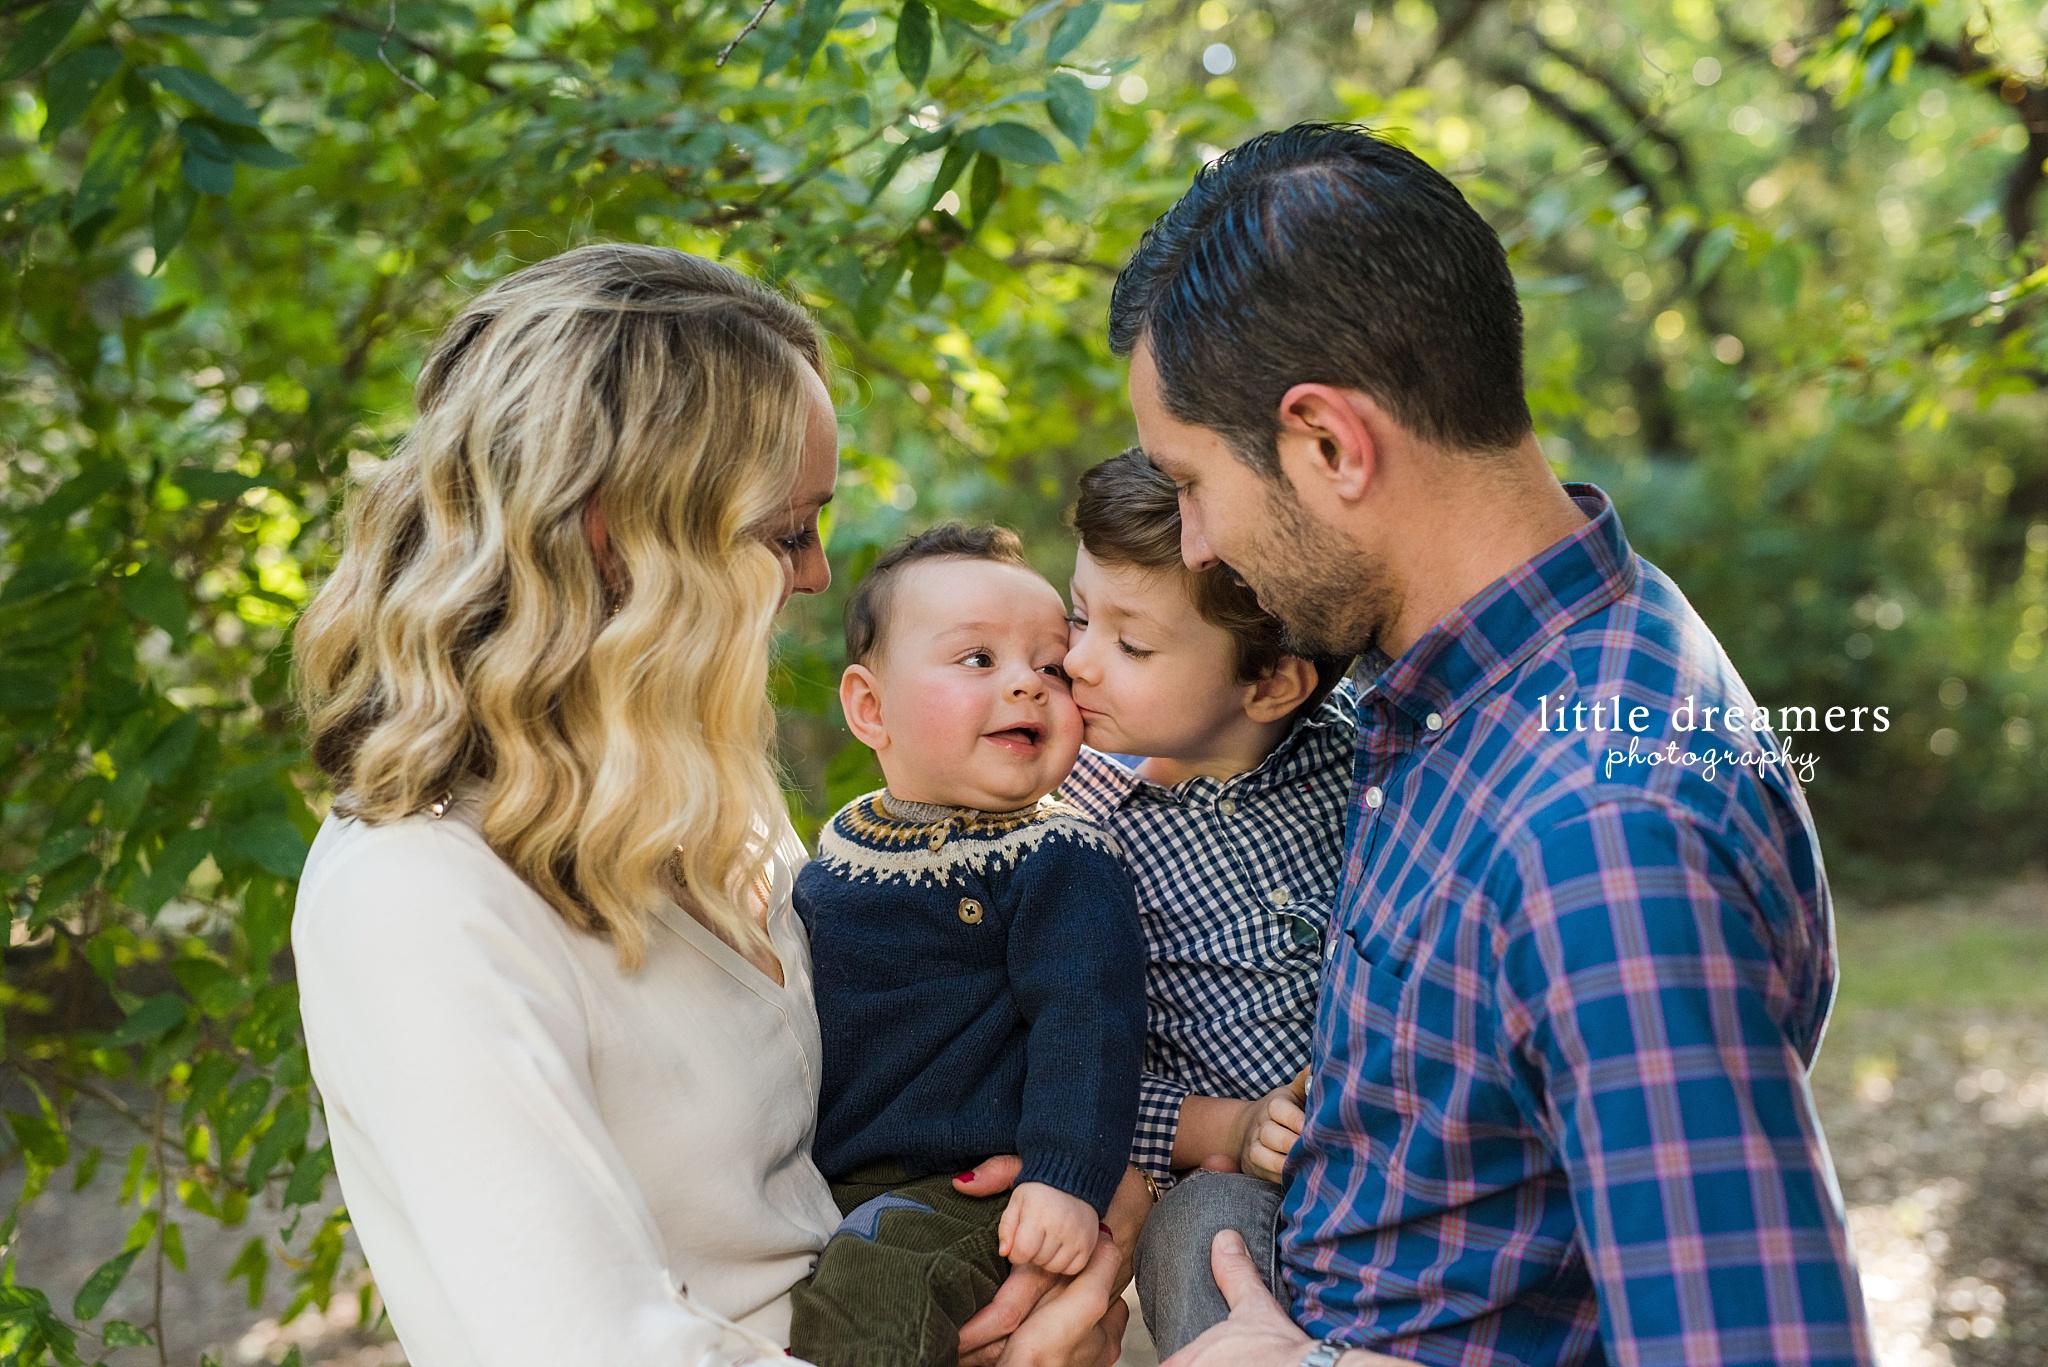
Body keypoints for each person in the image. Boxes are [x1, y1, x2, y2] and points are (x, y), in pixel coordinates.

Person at [1107, 127, 1873, 1366]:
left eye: (1189, 481)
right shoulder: (1474, 679)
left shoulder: (1599, 833)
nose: (1193, 545)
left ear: (1326, 445)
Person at [291, 243, 1128, 1367]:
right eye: (787, 530)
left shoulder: (705, 803)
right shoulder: (415, 894)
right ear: (611, 530)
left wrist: (1047, 1200)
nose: (820, 574)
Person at [788, 524, 1147, 1367]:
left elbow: (1089, 1021)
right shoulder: (842, 841)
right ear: (870, 708)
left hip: (978, 1186)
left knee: (876, 1298)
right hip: (841, 1179)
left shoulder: (1058, 852)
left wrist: (1065, 1177)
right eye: (978, 660)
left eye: (1050, 664)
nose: (1027, 683)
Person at [1056, 449, 1354, 1357]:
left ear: (1270, 683)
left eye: (1131, 644)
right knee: (1205, 1235)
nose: (1077, 661)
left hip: (1386, 1148)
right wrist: (1227, 1126)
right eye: (1078, 617)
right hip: (1225, 1172)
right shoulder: (1076, 826)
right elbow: (1067, 1061)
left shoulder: (1362, 772)